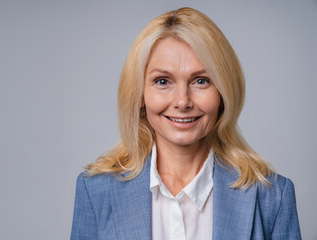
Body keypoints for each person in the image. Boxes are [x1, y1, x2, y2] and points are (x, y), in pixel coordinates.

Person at [70, 7, 301, 240]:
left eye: (201, 81)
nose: (182, 101)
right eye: (162, 81)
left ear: (223, 92)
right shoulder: (96, 191)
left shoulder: (272, 197)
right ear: (139, 94)